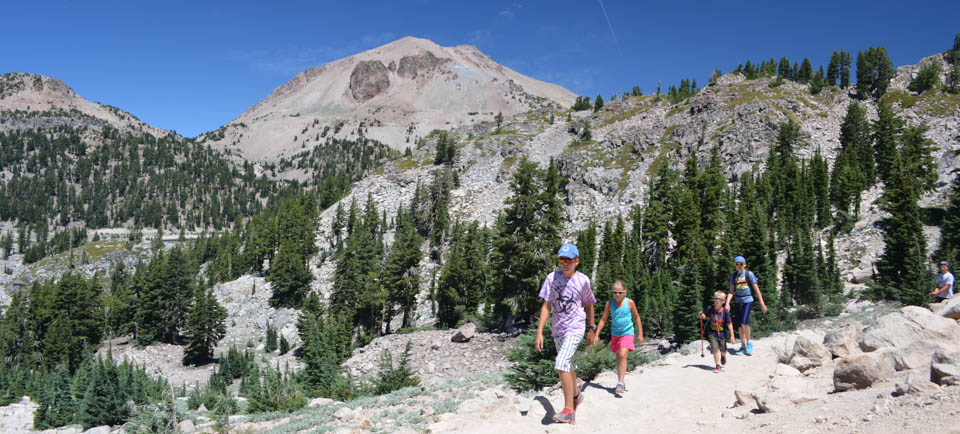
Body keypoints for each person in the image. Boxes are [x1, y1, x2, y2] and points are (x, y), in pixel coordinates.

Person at [535, 243, 597, 425]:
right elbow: (546, 306)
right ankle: (577, 395)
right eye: (562, 259)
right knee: (567, 364)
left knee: (561, 363)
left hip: (576, 327)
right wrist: (540, 332)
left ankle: (568, 410)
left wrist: (591, 329)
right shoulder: (551, 278)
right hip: (558, 329)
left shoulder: (583, 280)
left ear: (576, 261)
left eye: (569, 260)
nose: (565, 263)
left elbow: (589, 304)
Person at [593, 280, 643, 395]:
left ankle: (620, 382)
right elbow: (603, 319)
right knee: (618, 357)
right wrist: (596, 334)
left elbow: (637, 317)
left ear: (625, 292)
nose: (617, 295)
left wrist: (640, 333)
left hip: (628, 333)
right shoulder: (609, 304)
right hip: (615, 334)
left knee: (622, 354)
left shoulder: (629, 303)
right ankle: (620, 379)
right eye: (615, 292)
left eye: (620, 292)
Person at [725, 256, 767, 356]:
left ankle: (749, 343)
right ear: (735, 265)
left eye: (741, 264)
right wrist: (727, 303)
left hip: (748, 300)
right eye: (737, 264)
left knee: (744, 322)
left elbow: (756, 290)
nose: (739, 266)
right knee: (739, 325)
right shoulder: (733, 276)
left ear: (744, 265)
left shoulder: (749, 274)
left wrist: (762, 303)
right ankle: (742, 346)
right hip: (737, 301)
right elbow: (731, 291)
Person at [699, 291, 735, 373]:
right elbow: (705, 316)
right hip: (712, 332)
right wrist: (701, 315)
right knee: (715, 349)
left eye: (720, 299)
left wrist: (732, 335)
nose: (717, 300)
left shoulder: (725, 311)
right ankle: (717, 366)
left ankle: (723, 356)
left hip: (722, 333)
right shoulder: (710, 309)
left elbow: (729, 324)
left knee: (723, 350)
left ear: (724, 301)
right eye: (716, 298)